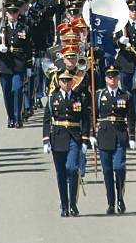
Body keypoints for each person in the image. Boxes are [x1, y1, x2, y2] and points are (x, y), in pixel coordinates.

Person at [42, 70, 91, 217]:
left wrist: (85, 139)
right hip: (57, 137)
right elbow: (46, 119)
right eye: (63, 80)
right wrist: (45, 140)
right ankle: (64, 205)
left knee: (72, 168)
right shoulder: (53, 99)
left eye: (69, 80)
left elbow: (85, 119)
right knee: (61, 174)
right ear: (59, 82)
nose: (66, 83)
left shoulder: (79, 98)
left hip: (74, 137)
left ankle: (73, 203)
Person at [93, 65, 136, 214]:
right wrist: (92, 135)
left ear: (118, 78)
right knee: (107, 171)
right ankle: (111, 202)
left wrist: (132, 136)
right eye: (109, 76)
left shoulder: (126, 95)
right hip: (104, 135)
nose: (112, 79)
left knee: (119, 168)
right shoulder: (99, 96)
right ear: (105, 78)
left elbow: (131, 117)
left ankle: (120, 198)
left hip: (119, 135)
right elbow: (93, 116)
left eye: (115, 76)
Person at [0, 1, 32, 128]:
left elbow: (28, 49)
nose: (12, 14)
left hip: (19, 63)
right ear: (7, 14)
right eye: (10, 12)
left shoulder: (24, 28)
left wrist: (29, 66)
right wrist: (0, 47)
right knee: (7, 92)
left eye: (15, 12)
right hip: (5, 64)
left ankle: (17, 117)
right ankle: (10, 117)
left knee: (17, 89)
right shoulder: (2, 28)